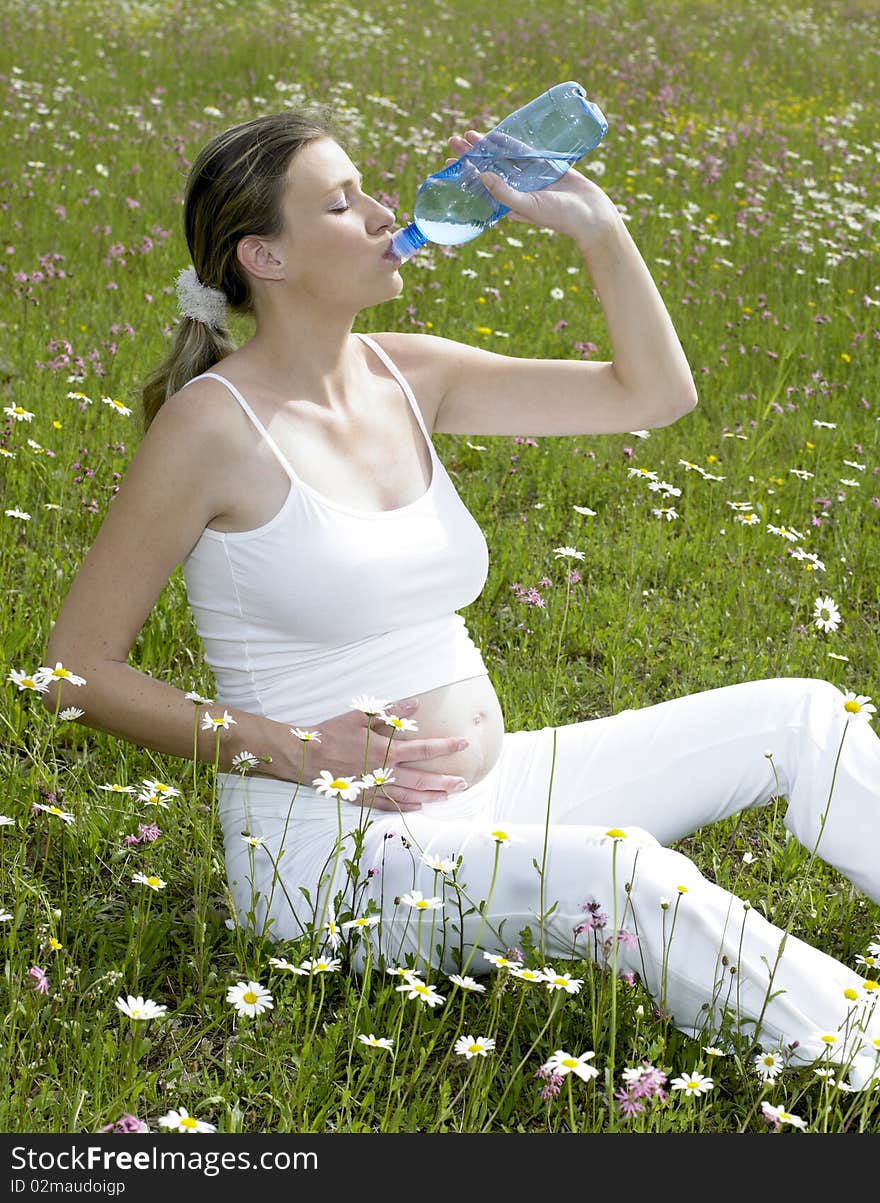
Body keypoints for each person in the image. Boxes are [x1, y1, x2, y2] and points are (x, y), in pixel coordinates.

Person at [43, 107, 880, 1086]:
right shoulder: (211, 430)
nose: (383, 212)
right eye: (341, 202)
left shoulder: (411, 372)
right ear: (263, 256)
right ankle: (856, 1056)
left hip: (493, 786)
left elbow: (650, 396)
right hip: (336, 860)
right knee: (630, 878)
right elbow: (71, 670)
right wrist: (299, 751)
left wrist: (597, 232)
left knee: (802, 717)